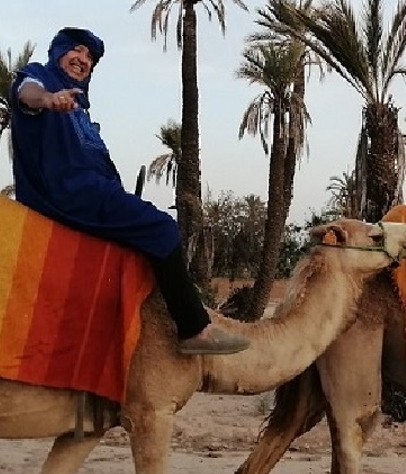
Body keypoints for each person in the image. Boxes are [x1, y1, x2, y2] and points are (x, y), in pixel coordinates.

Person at [9, 27, 249, 356]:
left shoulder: (80, 112)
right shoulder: (42, 78)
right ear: (58, 52)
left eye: (90, 58)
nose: (83, 60)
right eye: (77, 51)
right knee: (161, 227)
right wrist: (49, 99)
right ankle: (193, 328)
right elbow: (27, 92)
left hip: (89, 189)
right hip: (69, 191)